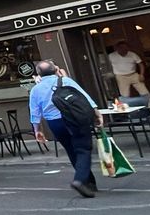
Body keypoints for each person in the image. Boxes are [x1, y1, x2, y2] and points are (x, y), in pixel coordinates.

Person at [29, 60, 102, 198]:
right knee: (83, 149)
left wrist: (37, 129)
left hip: (54, 123)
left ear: (38, 73)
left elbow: (35, 112)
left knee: (71, 150)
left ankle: (89, 182)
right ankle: (80, 180)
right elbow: (84, 96)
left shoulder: (36, 89)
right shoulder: (66, 81)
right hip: (74, 118)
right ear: (55, 68)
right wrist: (96, 113)